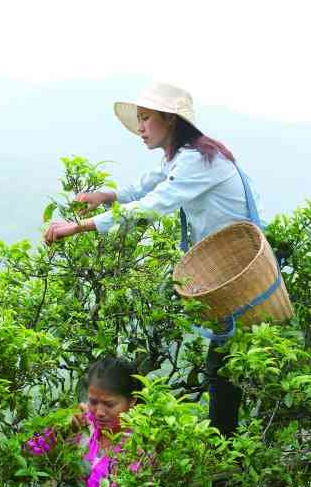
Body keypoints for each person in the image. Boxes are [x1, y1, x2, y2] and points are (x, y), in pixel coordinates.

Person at [44, 81, 265, 437]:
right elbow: (144, 187)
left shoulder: (198, 160)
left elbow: (150, 205)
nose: (141, 128)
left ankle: (222, 457)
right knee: (213, 355)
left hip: (238, 270)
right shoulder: (183, 157)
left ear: (170, 120)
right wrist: (106, 195)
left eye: (146, 119)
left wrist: (78, 227)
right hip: (225, 266)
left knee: (222, 367)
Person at [25, 357, 142, 487]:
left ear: (132, 402)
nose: (99, 412)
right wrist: (61, 431)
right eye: (93, 402)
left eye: (109, 404)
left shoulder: (139, 445)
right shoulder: (81, 425)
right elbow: (30, 453)